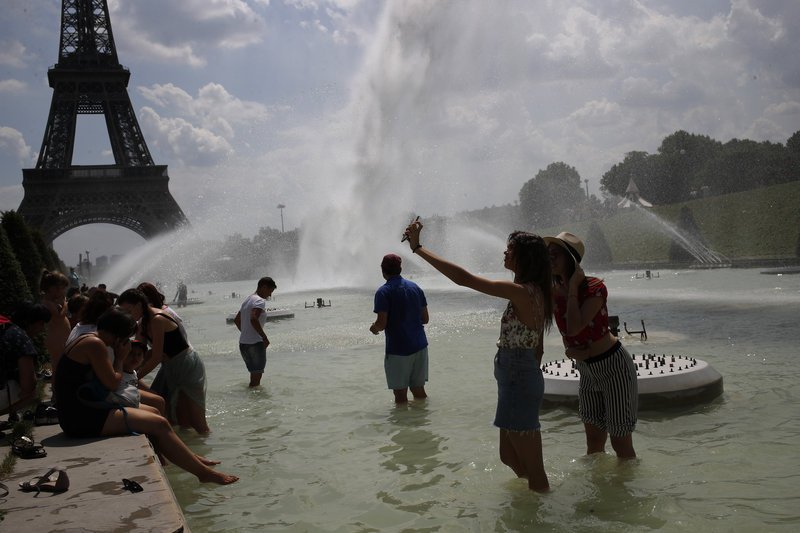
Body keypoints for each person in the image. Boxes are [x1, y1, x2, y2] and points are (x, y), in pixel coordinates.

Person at [403, 219, 552, 492]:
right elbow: (539, 346)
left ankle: (542, 509)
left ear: (524, 257)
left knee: (533, 466)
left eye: (510, 250)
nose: (504, 253)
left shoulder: (522, 293)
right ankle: (532, 503)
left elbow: (464, 279)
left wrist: (418, 248)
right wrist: (529, 374)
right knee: (508, 456)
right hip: (516, 375)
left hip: (519, 375)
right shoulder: (533, 293)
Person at [54, 308, 237, 485]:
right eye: (126, 338)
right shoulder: (95, 345)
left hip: (87, 407)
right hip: (82, 418)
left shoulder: (90, 339)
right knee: (160, 424)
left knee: (156, 410)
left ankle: (179, 455)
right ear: (120, 335)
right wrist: (119, 358)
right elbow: (112, 383)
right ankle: (204, 474)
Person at [545, 231, 637, 459]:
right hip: (586, 371)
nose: (550, 259)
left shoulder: (594, 287)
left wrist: (574, 288)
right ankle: (599, 491)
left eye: (556, 254)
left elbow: (575, 326)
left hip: (613, 368)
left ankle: (627, 490)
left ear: (570, 259)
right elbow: (566, 332)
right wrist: (570, 350)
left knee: (620, 442)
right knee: (594, 442)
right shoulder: (554, 292)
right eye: (548, 254)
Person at [117, 288, 210, 434]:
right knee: (180, 417)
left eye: (128, 311)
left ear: (139, 305)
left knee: (197, 421)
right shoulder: (143, 323)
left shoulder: (157, 319)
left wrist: (134, 378)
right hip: (170, 366)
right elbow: (141, 352)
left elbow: (156, 356)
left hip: (186, 365)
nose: (127, 315)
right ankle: (188, 445)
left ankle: (206, 445)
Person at [369, 254, 430, 403]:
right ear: (400, 268)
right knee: (418, 390)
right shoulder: (415, 288)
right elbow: (425, 319)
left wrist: (374, 328)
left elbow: (381, 324)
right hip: (420, 346)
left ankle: (404, 426)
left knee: (400, 396)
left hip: (399, 350)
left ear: (383, 270)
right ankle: (423, 422)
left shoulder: (383, 292)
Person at [1, 303, 51, 416]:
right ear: (29, 322)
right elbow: (28, 384)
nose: (43, 329)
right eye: (41, 324)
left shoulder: (4, 329)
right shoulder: (20, 337)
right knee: (31, 393)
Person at [234, 277, 276, 387]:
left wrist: (246, 333)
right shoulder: (259, 300)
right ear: (264, 287)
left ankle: (251, 402)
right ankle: (255, 403)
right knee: (256, 381)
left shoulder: (248, 299)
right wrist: (264, 337)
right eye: (270, 291)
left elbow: (237, 320)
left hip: (243, 344)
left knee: (253, 378)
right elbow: (253, 318)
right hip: (255, 344)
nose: (270, 295)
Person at [40, 270, 71, 375]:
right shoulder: (47, 303)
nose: (63, 291)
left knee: (61, 365)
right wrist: (65, 303)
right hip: (55, 340)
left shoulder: (54, 302)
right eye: (62, 288)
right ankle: (56, 388)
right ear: (52, 288)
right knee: (57, 366)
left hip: (60, 337)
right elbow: (59, 316)